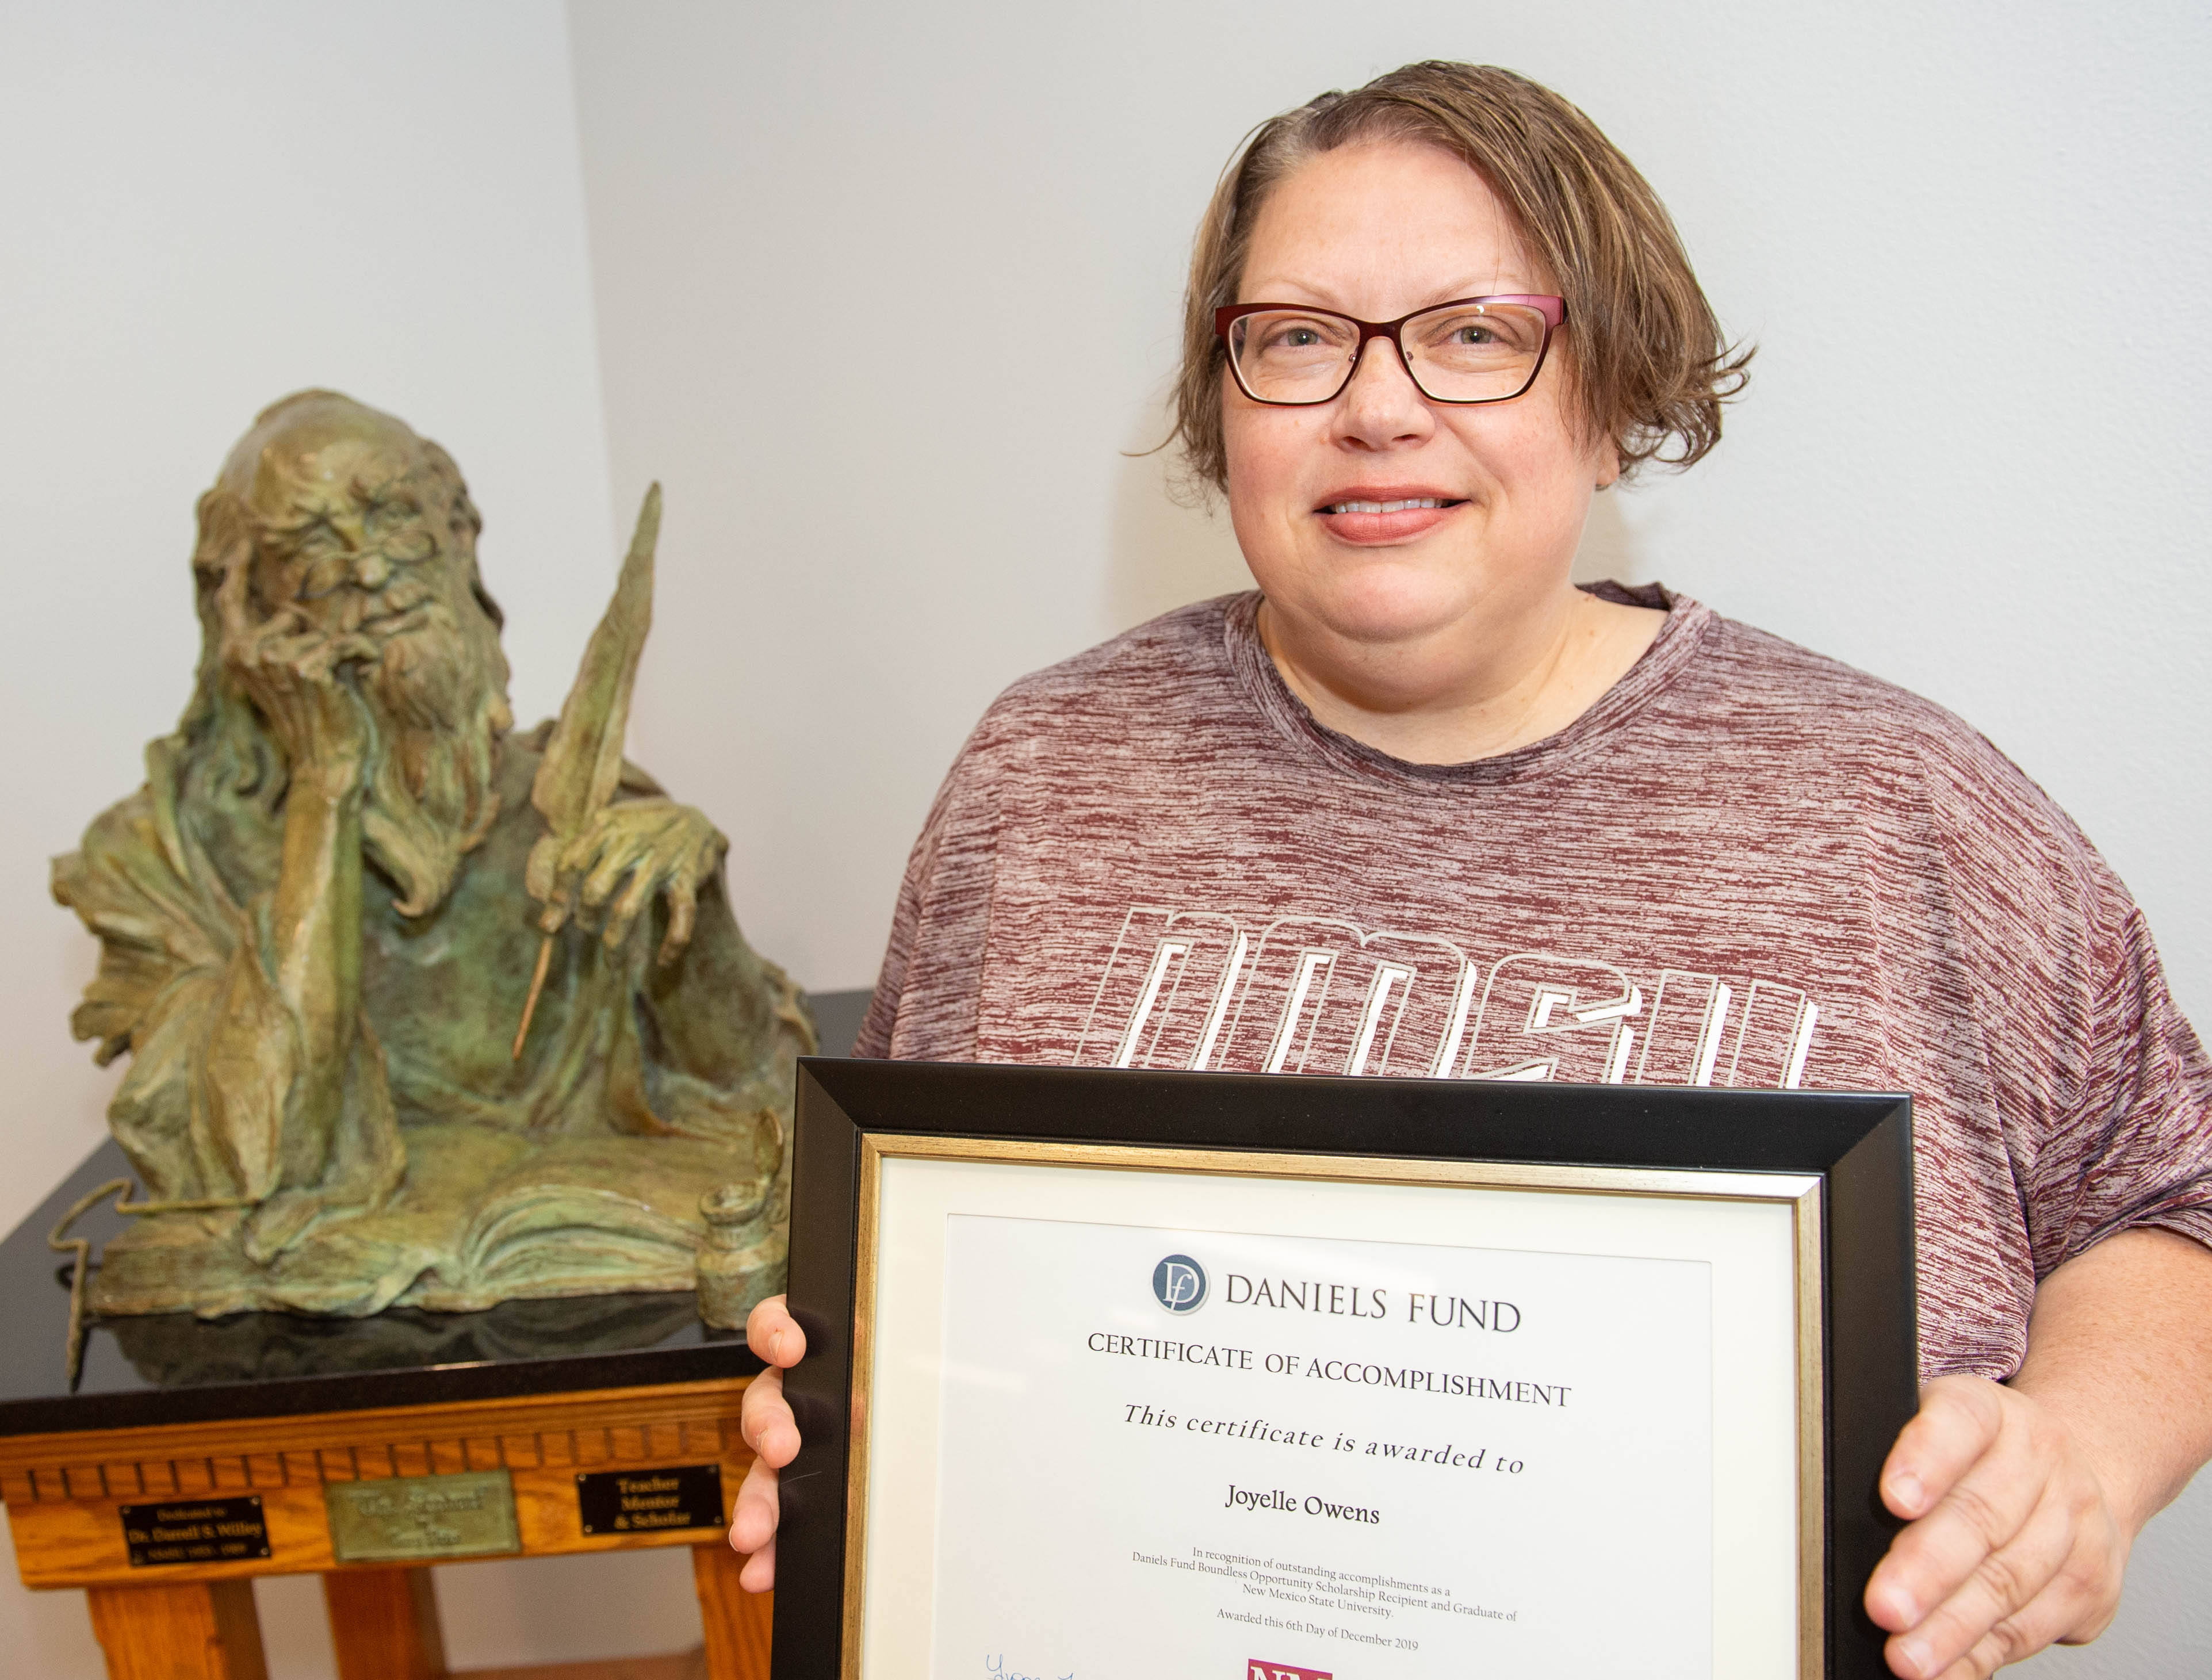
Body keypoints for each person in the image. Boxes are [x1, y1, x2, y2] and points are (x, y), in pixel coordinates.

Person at [729, 62, 2212, 1678]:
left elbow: (2174, 1198)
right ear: (1222, 401)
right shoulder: (1042, 781)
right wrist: (855, 1423)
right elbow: (923, 1274)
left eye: (1476, 332)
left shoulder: (1900, 810)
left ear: (1613, 387)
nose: (1377, 407)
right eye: (1296, 337)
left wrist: (2080, 1454)